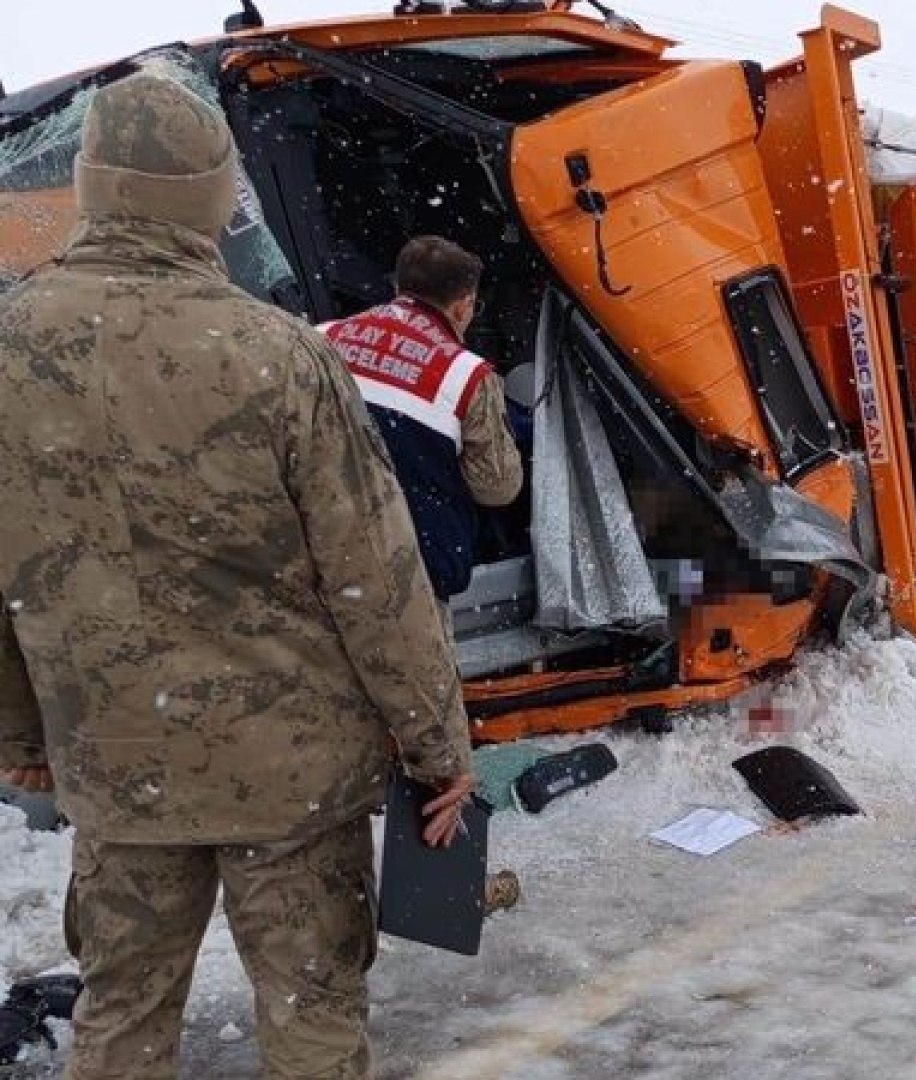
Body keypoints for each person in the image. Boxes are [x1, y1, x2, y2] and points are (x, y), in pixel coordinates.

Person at [0, 73, 475, 1079]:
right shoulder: (279, 355)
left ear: (91, 186)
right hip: (292, 775)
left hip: (119, 762)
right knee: (311, 1015)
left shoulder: (10, 350)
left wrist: (21, 737)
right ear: (214, 199)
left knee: (120, 1014)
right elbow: (377, 580)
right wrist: (439, 747)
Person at [322, 236, 523, 602]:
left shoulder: (324, 337)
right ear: (464, 307)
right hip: (413, 572)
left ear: (398, 287)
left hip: (325, 550)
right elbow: (497, 488)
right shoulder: (469, 375)